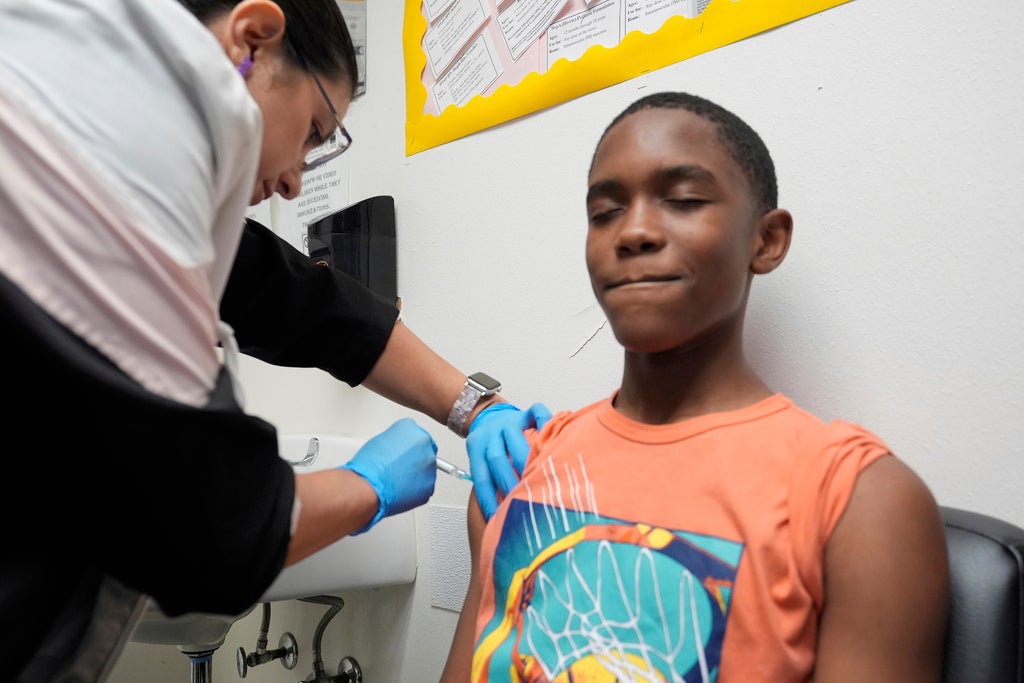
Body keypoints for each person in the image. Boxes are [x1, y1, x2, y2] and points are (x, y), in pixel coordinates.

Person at [0, 1, 543, 681]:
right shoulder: (121, 178)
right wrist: (367, 486)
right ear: (252, 36)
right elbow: (215, 532)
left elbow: (292, 298)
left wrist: (472, 406)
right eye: (316, 131)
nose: (294, 179)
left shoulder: (79, 93)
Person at [441, 92, 949, 682]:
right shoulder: (521, 469)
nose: (632, 232)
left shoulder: (859, 502)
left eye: (682, 200)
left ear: (767, 241)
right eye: (604, 212)